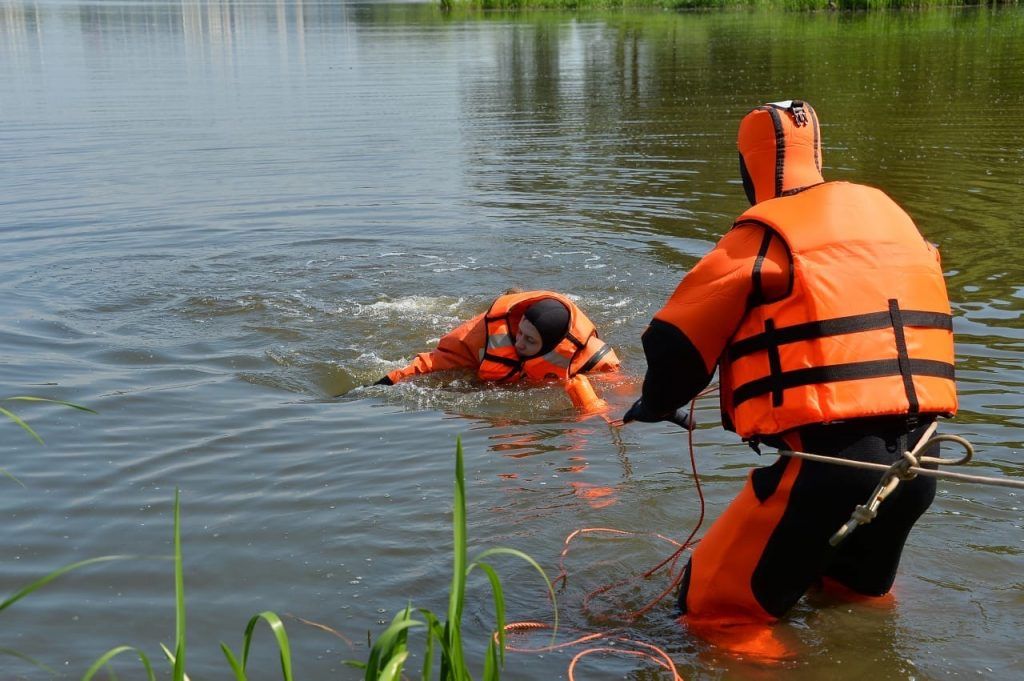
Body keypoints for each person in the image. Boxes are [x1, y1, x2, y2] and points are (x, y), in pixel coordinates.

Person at [623, 101, 958, 636]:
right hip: (921, 460)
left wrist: (657, 403)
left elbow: (675, 340)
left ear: (746, 167)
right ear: (817, 152)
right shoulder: (893, 219)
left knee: (715, 611)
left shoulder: (765, 234)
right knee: (854, 602)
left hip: (828, 468)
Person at [375, 290, 620, 391]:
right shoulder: (484, 335)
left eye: (530, 341)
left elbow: (620, 389)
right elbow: (432, 363)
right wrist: (385, 383)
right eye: (520, 333)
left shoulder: (589, 357)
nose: (519, 343)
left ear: (552, 347)